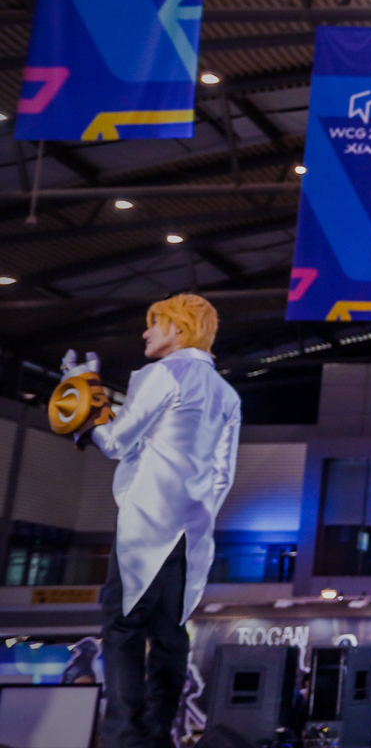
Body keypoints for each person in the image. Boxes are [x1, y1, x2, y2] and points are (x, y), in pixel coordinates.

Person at [68, 294, 240, 748]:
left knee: (122, 626)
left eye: (155, 323)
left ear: (178, 330)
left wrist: (83, 408)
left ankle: (125, 736)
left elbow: (116, 442)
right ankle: (158, 734)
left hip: (147, 522)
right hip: (194, 529)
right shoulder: (227, 394)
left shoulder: (161, 374)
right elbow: (223, 476)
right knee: (170, 634)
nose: (146, 332)